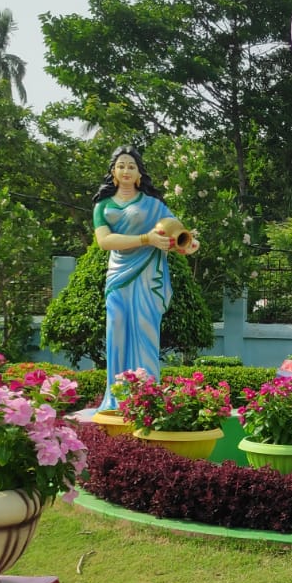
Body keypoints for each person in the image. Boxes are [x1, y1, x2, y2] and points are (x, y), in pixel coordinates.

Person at [91, 145, 201, 409]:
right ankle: (117, 396)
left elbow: (179, 234)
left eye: (131, 166)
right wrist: (146, 239)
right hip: (118, 276)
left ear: (139, 173)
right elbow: (104, 241)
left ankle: (148, 396)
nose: (126, 170)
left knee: (145, 327)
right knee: (116, 327)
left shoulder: (154, 205)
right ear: (113, 172)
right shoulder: (102, 206)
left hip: (148, 276)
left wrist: (187, 244)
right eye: (121, 166)